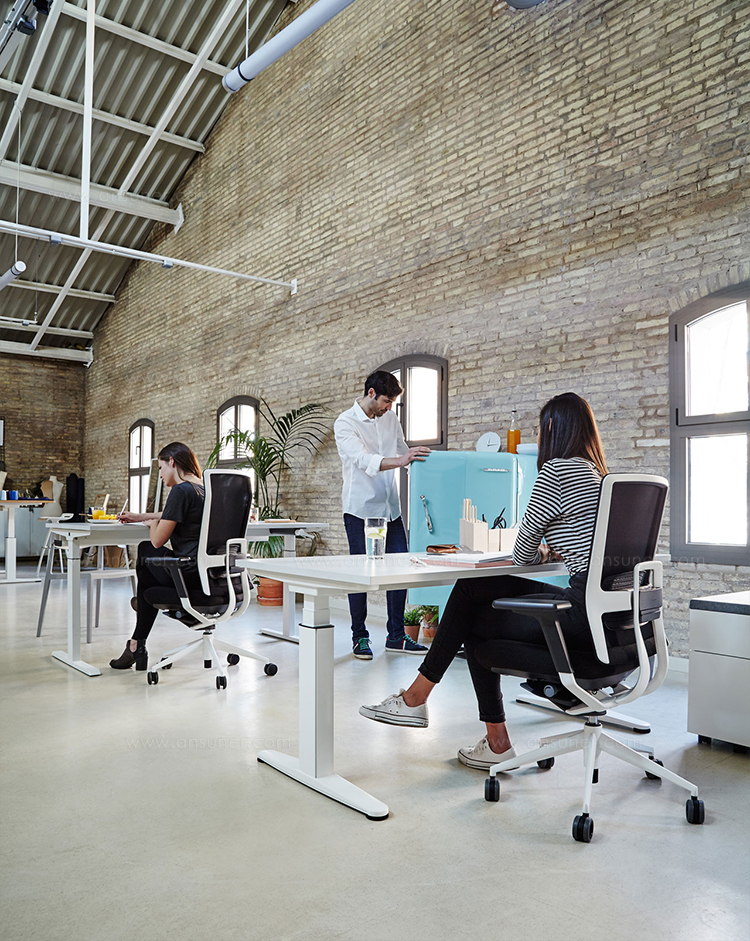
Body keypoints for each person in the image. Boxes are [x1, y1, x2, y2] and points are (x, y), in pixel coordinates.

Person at [359, 392, 607, 770]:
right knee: (476, 593)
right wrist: (553, 549)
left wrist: (540, 551)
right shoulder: (599, 476)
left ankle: (428, 704)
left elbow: (522, 553)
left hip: (579, 619)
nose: (539, 438)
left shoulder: (556, 471)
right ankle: (463, 724)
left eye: (541, 430)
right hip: (612, 619)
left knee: (474, 604)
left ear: (554, 430)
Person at [334, 370, 431, 660]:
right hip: (360, 510)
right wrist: (401, 460)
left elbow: (403, 452)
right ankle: (359, 637)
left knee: (399, 570)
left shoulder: (390, 418)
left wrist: (426, 467)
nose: (389, 407)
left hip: (390, 509)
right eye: (387, 401)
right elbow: (363, 460)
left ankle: (396, 636)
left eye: (392, 403)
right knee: (360, 575)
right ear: (371, 393)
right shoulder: (345, 422)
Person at [109, 442, 205, 671]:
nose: (160, 475)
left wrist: (152, 524)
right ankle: (136, 644)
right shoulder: (205, 488)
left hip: (189, 575)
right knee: (148, 579)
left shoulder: (180, 490)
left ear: (172, 462)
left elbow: (157, 541)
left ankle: (138, 641)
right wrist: (141, 515)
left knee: (146, 551)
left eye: (161, 468)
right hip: (214, 575)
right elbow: (176, 512)